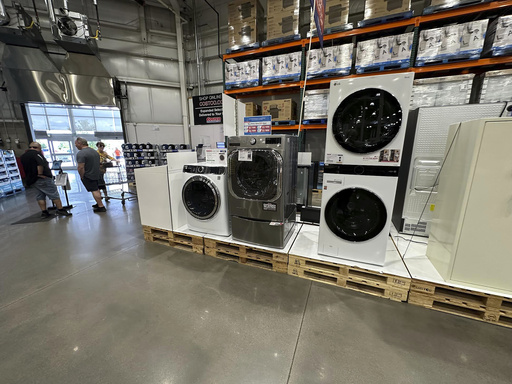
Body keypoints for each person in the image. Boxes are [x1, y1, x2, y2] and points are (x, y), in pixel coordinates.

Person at [20, 142, 72, 218]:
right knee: (54, 194)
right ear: (38, 148)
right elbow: (40, 164)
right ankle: (61, 210)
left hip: (32, 180)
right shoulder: (37, 154)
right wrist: (40, 174)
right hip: (42, 179)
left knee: (40, 196)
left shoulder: (23, 156)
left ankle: (44, 212)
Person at [74, 137, 106, 213]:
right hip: (97, 174)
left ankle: (101, 206)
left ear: (80, 143)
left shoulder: (81, 153)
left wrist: (82, 176)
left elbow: (81, 167)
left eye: (76, 144)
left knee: (94, 190)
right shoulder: (95, 152)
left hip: (88, 175)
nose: (75, 145)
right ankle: (98, 203)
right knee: (97, 189)